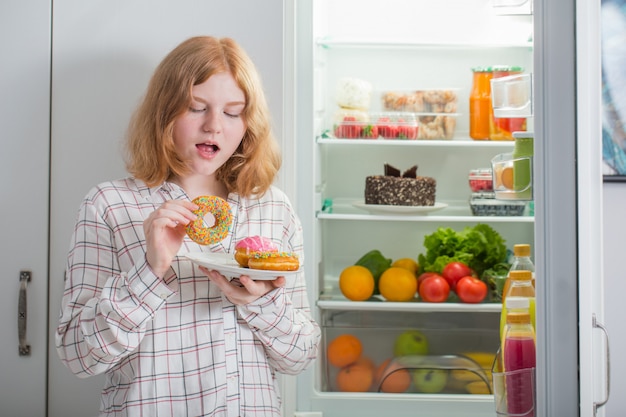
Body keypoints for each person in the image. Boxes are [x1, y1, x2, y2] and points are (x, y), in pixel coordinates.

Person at [55, 36, 321, 417]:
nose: (214, 126)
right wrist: (149, 272)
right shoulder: (110, 205)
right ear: (164, 112)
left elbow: (301, 357)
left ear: (249, 123)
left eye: (233, 112)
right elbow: (77, 357)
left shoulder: (272, 208)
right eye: (197, 108)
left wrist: (261, 302)